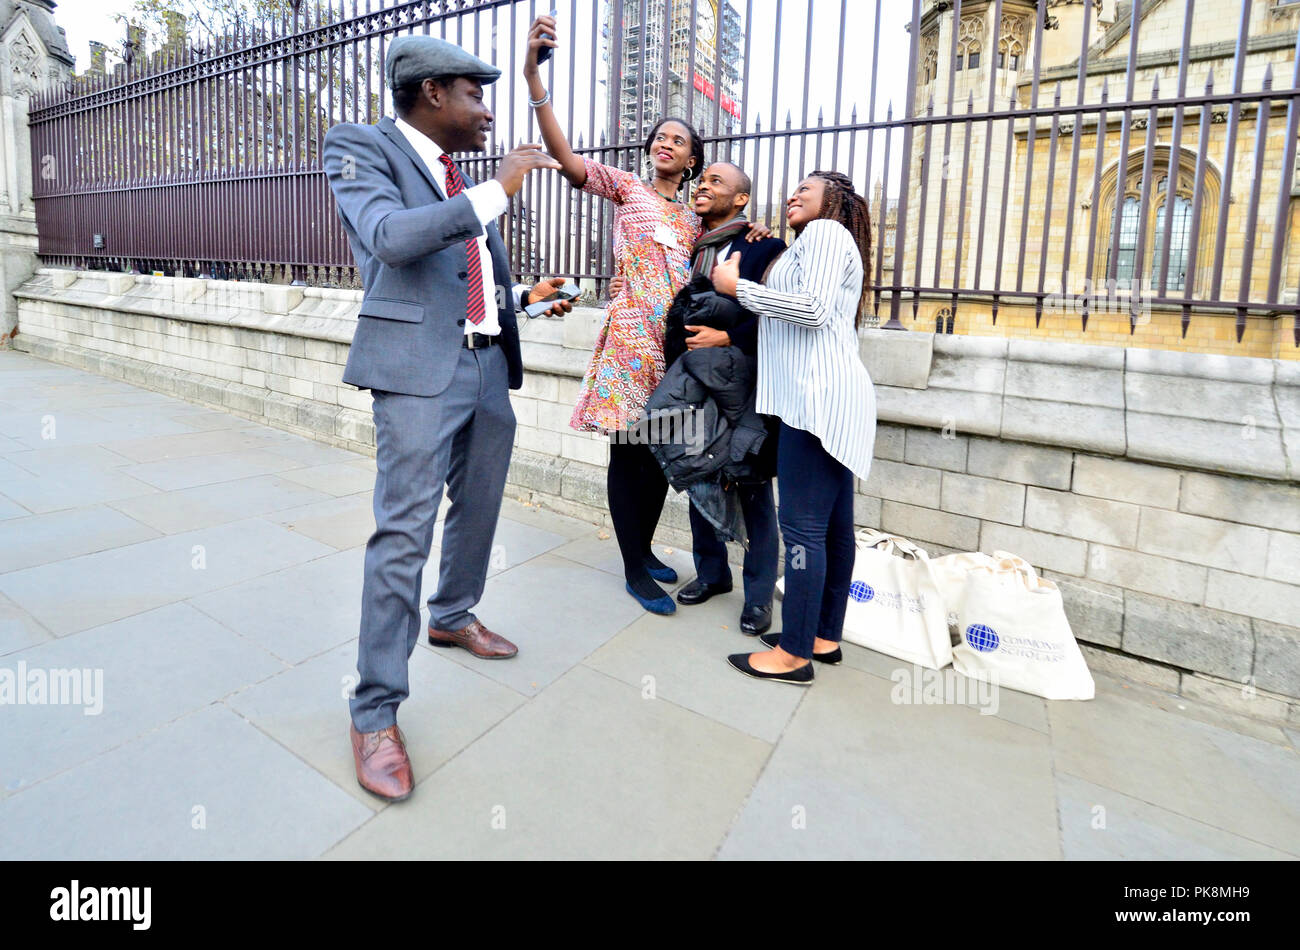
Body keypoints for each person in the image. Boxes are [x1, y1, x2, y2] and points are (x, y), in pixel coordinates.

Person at [323, 35, 572, 802]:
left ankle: (454, 614)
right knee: (404, 531)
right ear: (432, 93)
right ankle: (373, 712)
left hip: (486, 361)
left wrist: (521, 301)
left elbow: (462, 272)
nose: (487, 108)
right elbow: (392, 240)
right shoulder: (360, 147)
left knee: (482, 506)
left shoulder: (461, 174)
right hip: (415, 373)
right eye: (475, 93)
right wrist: (495, 193)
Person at [523, 14, 765, 616]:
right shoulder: (626, 188)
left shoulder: (696, 218)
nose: (665, 143)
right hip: (630, 339)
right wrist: (534, 80)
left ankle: (647, 548)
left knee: (660, 452)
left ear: (691, 162)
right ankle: (635, 567)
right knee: (629, 452)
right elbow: (567, 158)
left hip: (675, 350)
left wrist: (759, 231)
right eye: (660, 136)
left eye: (678, 141)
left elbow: (732, 243)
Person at [710, 170, 877, 685]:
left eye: (805, 189)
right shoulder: (815, 243)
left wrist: (739, 288)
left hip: (816, 402)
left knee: (802, 529)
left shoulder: (828, 233)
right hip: (827, 401)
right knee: (832, 529)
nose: (793, 195)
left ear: (833, 201)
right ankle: (822, 637)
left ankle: (793, 654)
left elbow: (812, 309)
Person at [663, 163, 785, 636]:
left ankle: (758, 597)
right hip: (692, 384)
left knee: (752, 485)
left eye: (716, 181)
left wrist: (727, 337)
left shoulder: (764, 247)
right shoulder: (685, 243)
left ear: (740, 200)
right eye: (702, 179)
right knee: (698, 472)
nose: (702, 185)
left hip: (745, 387)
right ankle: (712, 574)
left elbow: (778, 316)